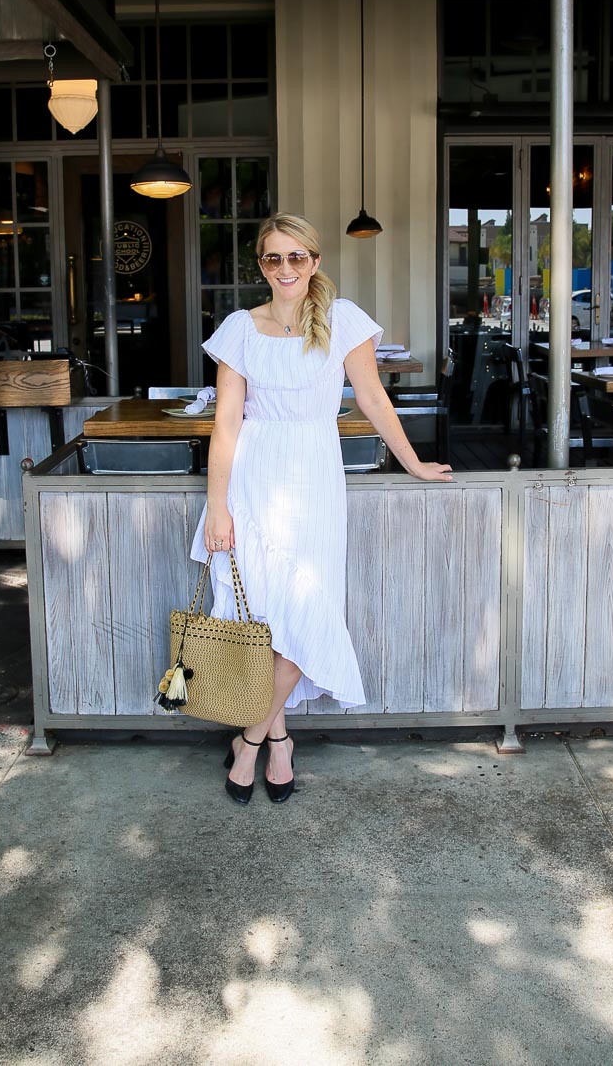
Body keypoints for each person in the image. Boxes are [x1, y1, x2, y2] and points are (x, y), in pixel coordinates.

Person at [188, 212, 453, 806]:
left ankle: (251, 741)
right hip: (254, 484)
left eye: (297, 257)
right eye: (273, 259)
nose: (286, 269)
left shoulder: (342, 320)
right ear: (261, 265)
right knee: (261, 620)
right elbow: (226, 422)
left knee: (302, 614)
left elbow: (373, 397)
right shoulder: (239, 327)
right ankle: (279, 737)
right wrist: (217, 507)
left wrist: (412, 460)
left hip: (313, 482)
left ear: (316, 259)